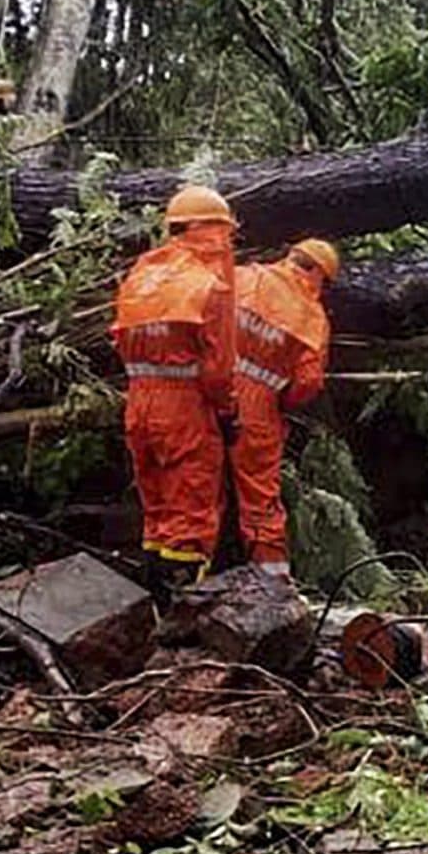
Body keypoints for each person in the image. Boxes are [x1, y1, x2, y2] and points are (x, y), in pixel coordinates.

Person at [112, 185, 239, 593]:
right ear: (216, 231)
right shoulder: (209, 285)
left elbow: (120, 341)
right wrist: (227, 412)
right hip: (185, 409)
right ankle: (182, 615)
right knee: (192, 512)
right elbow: (218, 370)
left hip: (139, 403)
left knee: (158, 508)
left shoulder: (141, 275)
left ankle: (152, 606)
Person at [230, 239, 338, 579]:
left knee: (195, 486)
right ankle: (272, 583)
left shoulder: (243, 277)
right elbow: (308, 382)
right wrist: (280, 401)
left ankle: (184, 583)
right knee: (260, 498)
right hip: (257, 407)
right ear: (318, 274)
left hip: (206, 391)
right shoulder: (312, 317)